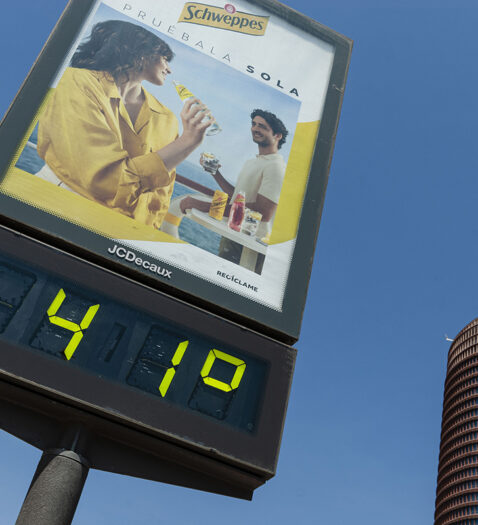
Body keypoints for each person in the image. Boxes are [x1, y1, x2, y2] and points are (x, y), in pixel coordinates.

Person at [36, 20, 213, 229]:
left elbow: (160, 195)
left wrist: (143, 234)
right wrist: (188, 141)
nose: (169, 69)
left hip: (121, 229)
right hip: (56, 206)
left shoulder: (166, 118)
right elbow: (104, 180)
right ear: (141, 52)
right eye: (164, 58)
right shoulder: (79, 82)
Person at [180, 109, 288, 272]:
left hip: (251, 244)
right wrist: (215, 172)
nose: (255, 128)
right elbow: (238, 198)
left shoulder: (276, 167)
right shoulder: (253, 162)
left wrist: (201, 205)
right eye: (254, 124)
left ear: (277, 136)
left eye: (262, 126)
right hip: (234, 235)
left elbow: (263, 212)